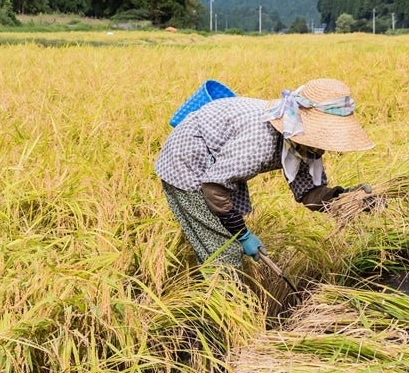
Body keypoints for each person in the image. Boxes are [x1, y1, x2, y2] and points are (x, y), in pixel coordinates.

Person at [154, 78, 374, 270]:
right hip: (188, 162)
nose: (324, 146)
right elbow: (214, 188)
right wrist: (244, 235)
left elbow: (310, 194)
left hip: (216, 169)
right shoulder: (260, 142)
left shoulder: (302, 141)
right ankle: (222, 310)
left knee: (216, 236)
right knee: (223, 252)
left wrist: (347, 198)